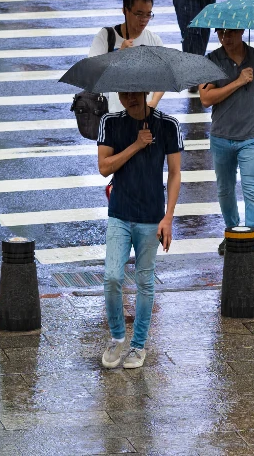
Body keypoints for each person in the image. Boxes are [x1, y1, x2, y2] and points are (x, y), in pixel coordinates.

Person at [97, 91, 182, 370]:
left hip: (151, 216)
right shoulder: (110, 122)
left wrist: (168, 217)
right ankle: (117, 337)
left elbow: (175, 173)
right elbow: (104, 167)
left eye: (135, 93)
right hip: (120, 213)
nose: (129, 98)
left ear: (146, 92)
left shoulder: (167, 124)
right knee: (111, 277)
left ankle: (138, 345)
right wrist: (136, 145)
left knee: (145, 281)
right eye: (124, 94)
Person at [200, 26, 254, 244]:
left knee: (252, 191)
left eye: (230, 32)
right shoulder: (212, 60)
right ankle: (231, 232)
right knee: (225, 192)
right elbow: (205, 97)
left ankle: (251, 242)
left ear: (241, 31)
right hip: (221, 136)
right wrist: (238, 81)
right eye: (221, 33)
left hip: (252, 137)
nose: (225, 37)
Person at [87, 0, 165, 112]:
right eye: (139, 14)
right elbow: (91, 72)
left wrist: (153, 102)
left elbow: (164, 78)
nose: (144, 20)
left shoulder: (154, 40)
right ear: (125, 11)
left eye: (148, 15)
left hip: (146, 115)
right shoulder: (106, 36)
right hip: (115, 114)